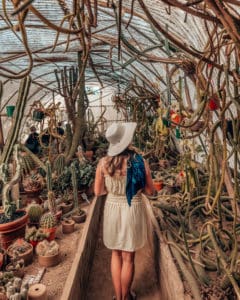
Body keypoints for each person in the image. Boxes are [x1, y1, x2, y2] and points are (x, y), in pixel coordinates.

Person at [94, 122, 155, 300]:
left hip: (112, 209)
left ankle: (118, 296)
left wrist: (113, 190)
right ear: (127, 140)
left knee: (115, 253)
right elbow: (150, 191)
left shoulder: (103, 163)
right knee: (128, 258)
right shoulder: (139, 162)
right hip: (132, 208)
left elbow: (98, 192)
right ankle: (126, 296)